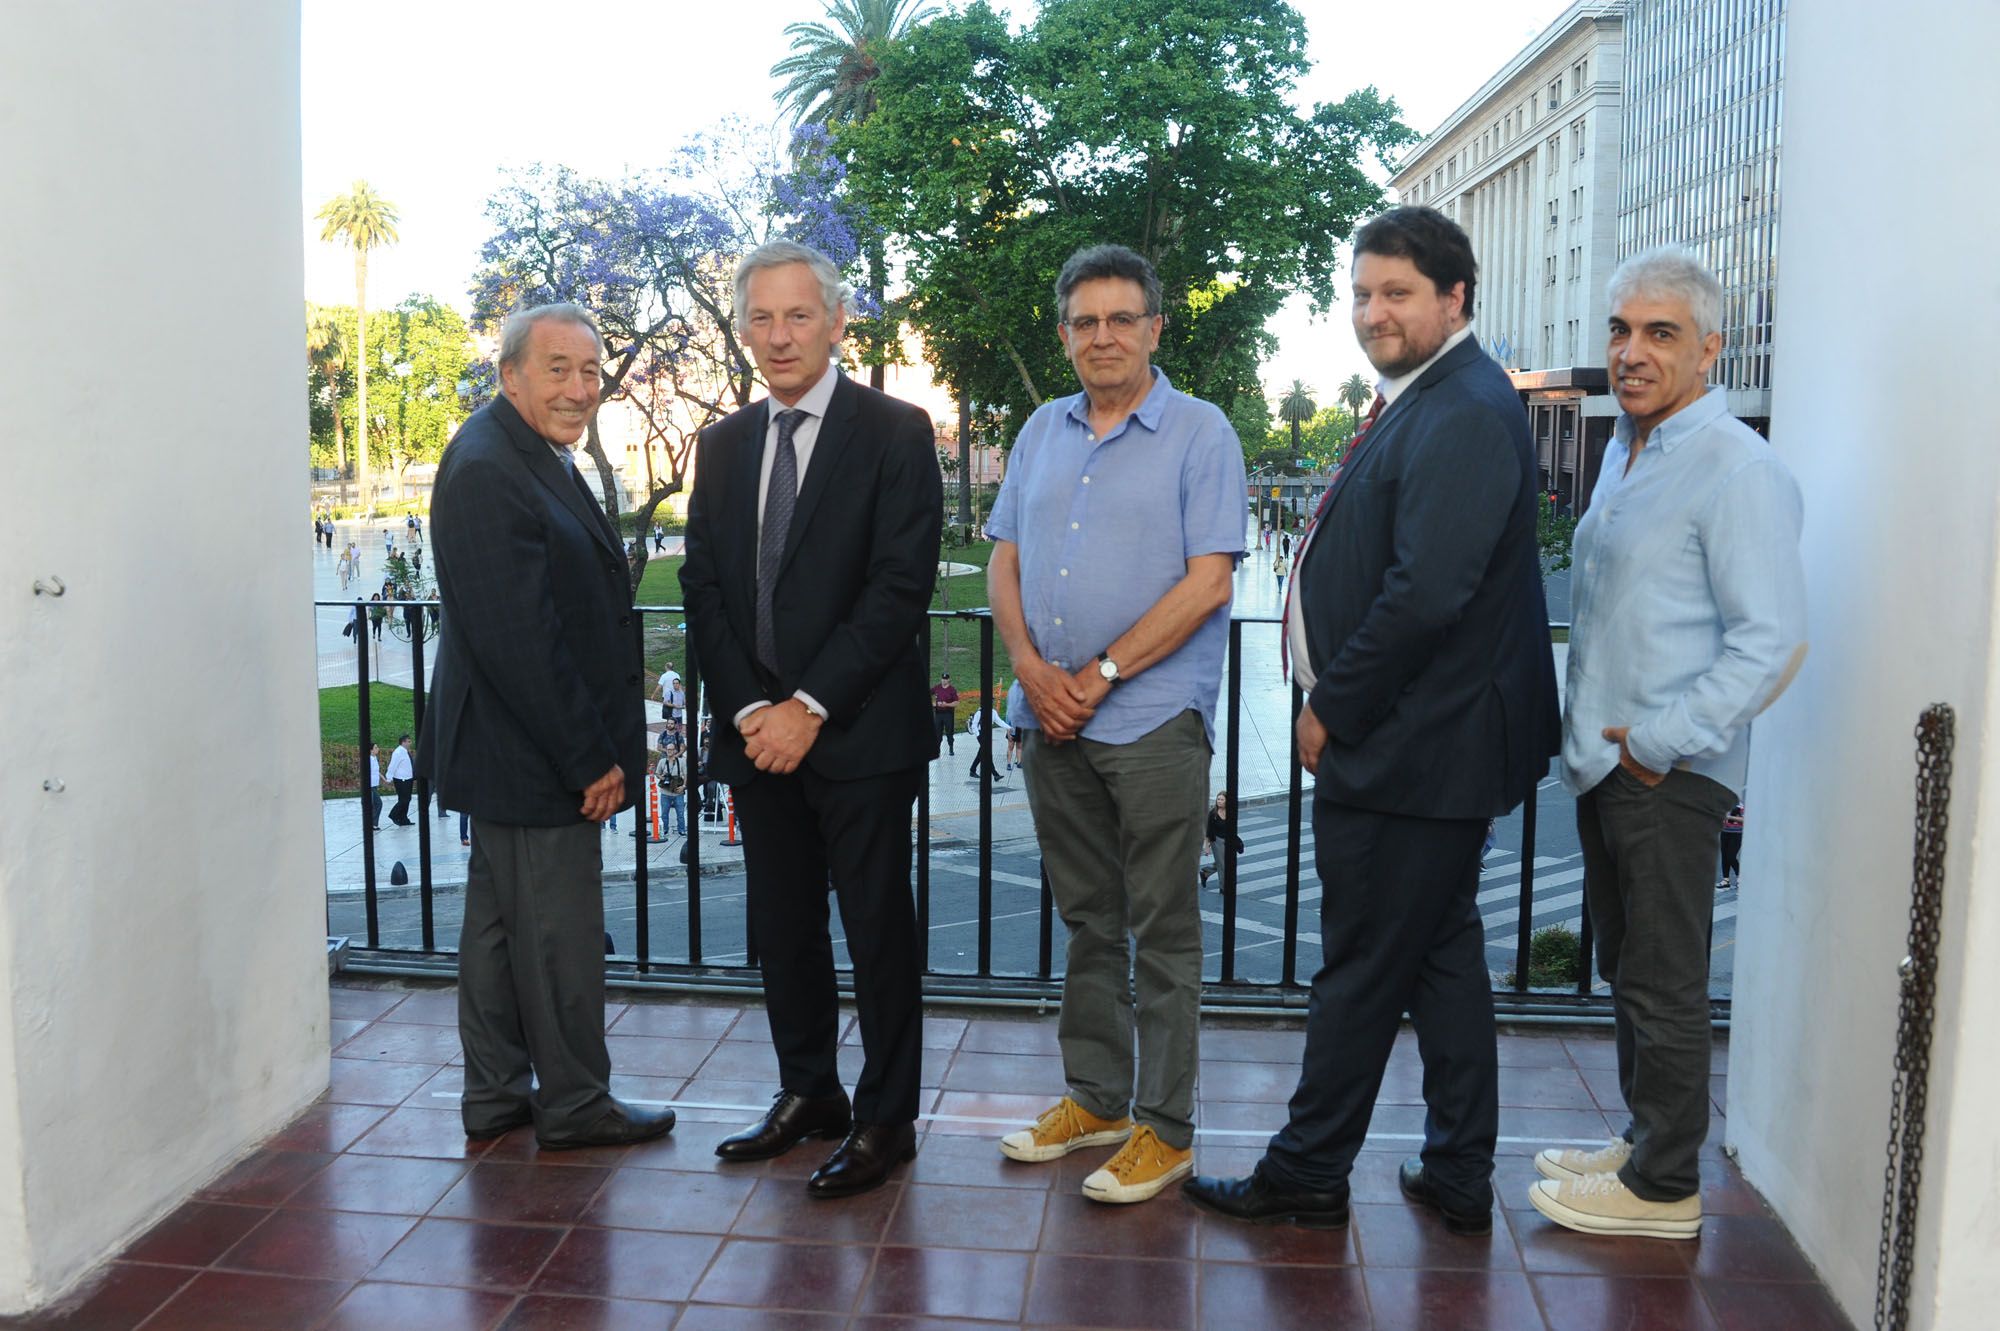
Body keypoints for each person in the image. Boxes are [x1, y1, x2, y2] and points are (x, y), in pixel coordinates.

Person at [1185, 206, 1559, 1235]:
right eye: (1360, 292)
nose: (1371, 311)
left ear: (1454, 298)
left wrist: (1328, 707)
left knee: (1356, 967)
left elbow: (1424, 591)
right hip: (1415, 742)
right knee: (1438, 958)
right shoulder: (1431, 395)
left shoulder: (1466, 408)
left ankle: (1306, 1168)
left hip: (1409, 745)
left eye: (1394, 292)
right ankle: (1455, 1167)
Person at [1533, 248, 1806, 1241]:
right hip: (1610, 765)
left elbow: (1771, 638)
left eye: (1658, 333)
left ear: (1708, 349)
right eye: (1618, 329)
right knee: (1627, 966)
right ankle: (1646, 1138)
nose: (1630, 351)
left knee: (1661, 977)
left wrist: (1662, 740)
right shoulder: (1625, 450)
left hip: (1667, 772)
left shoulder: (1735, 468)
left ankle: (1661, 1187)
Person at [679, 239, 942, 1198]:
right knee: (782, 926)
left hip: (857, 734)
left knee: (878, 931)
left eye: (799, 315)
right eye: (761, 316)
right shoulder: (724, 443)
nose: (779, 334)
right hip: (759, 739)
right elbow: (703, 587)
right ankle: (809, 1091)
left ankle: (885, 1117)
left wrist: (807, 706)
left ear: (836, 322)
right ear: (742, 328)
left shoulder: (897, 430)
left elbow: (898, 586)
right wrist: (754, 708)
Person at [988, 242, 1246, 1205]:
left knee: (1164, 931)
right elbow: (1005, 561)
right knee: (1089, 919)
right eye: (1084, 321)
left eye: (1120, 318)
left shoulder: (1201, 432)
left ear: (1154, 328)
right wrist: (1027, 667)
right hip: (1049, 717)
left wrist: (1096, 673)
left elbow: (1209, 580)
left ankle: (1165, 1128)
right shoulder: (1040, 432)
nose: (1103, 336)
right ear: (1064, 336)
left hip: (1148, 721)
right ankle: (1095, 1098)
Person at [416, 302, 672, 1152]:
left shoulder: (529, 453)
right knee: (559, 937)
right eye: (558, 369)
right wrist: (588, 757)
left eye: (591, 371)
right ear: (511, 374)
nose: (578, 388)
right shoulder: (491, 465)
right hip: (531, 756)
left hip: (509, 751)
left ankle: (495, 1094)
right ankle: (574, 1103)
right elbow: (521, 637)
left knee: (495, 932)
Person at [1200, 791, 1246, 889]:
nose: (1219, 801)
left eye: (1222, 799)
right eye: (1218, 799)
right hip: (1216, 841)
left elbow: (1232, 828)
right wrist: (1206, 846)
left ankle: (1206, 873)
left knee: (1225, 862)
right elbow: (1208, 831)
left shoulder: (1231, 812)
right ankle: (1224, 888)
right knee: (1223, 865)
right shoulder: (1213, 814)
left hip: (1228, 840)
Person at [655, 742, 688, 837]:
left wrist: (684, 786)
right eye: (668, 749)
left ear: (675, 751)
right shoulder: (662, 761)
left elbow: (686, 775)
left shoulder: (681, 761)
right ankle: (665, 830)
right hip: (665, 792)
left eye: (671, 749)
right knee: (664, 814)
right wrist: (661, 777)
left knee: (680, 814)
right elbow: (657, 773)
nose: (669, 751)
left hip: (678, 792)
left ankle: (681, 830)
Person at [966, 704, 1008, 780]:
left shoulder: (993, 712)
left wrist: (1009, 727)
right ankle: (995, 774)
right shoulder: (979, 713)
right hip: (980, 733)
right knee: (987, 753)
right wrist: (978, 735)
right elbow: (974, 725)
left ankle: (972, 770)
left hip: (987, 733)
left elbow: (999, 721)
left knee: (981, 753)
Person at [386, 733, 416, 825]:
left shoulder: (405, 751)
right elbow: (393, 765)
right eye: (408, 741)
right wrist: (389, 777)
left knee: (407, 799)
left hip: (408, 779)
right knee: (404, 799)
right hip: (401, 780)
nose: (410, 743)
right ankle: (393, 815)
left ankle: (403, 819)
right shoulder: (398, 752)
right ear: (403, 742)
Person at [930, 673, 959, 756]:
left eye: (945, 679)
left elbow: (956, 703)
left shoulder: (952, 690)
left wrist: (946, 704)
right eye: (943, 679)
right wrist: (933, 703)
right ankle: (937, 750)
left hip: (948, 714)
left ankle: (951, 747)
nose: (944, 680)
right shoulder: (937, 688)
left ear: (948, 680)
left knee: (949, 732)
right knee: (937, 732)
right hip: (938, 714)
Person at [1719, 804, 1745, 892]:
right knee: (1724, 856)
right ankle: (1726, 880)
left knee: (1731, 856)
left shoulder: (1740, 807)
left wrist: (1729, 817)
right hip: (1725, 832)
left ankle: (1740, 877)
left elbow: (1744, 819)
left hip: (1736, 834)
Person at [365, 742, 385, 830]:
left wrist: (383, 778)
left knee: (374, 804)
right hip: (370, 786)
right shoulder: (368, 759)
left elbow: (376, 771)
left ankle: (372, 824)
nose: (378, 749)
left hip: (374, 785)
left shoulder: (374, 758)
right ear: (371, 750)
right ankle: (372, 823)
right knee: (378, 803)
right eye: (376, 747)